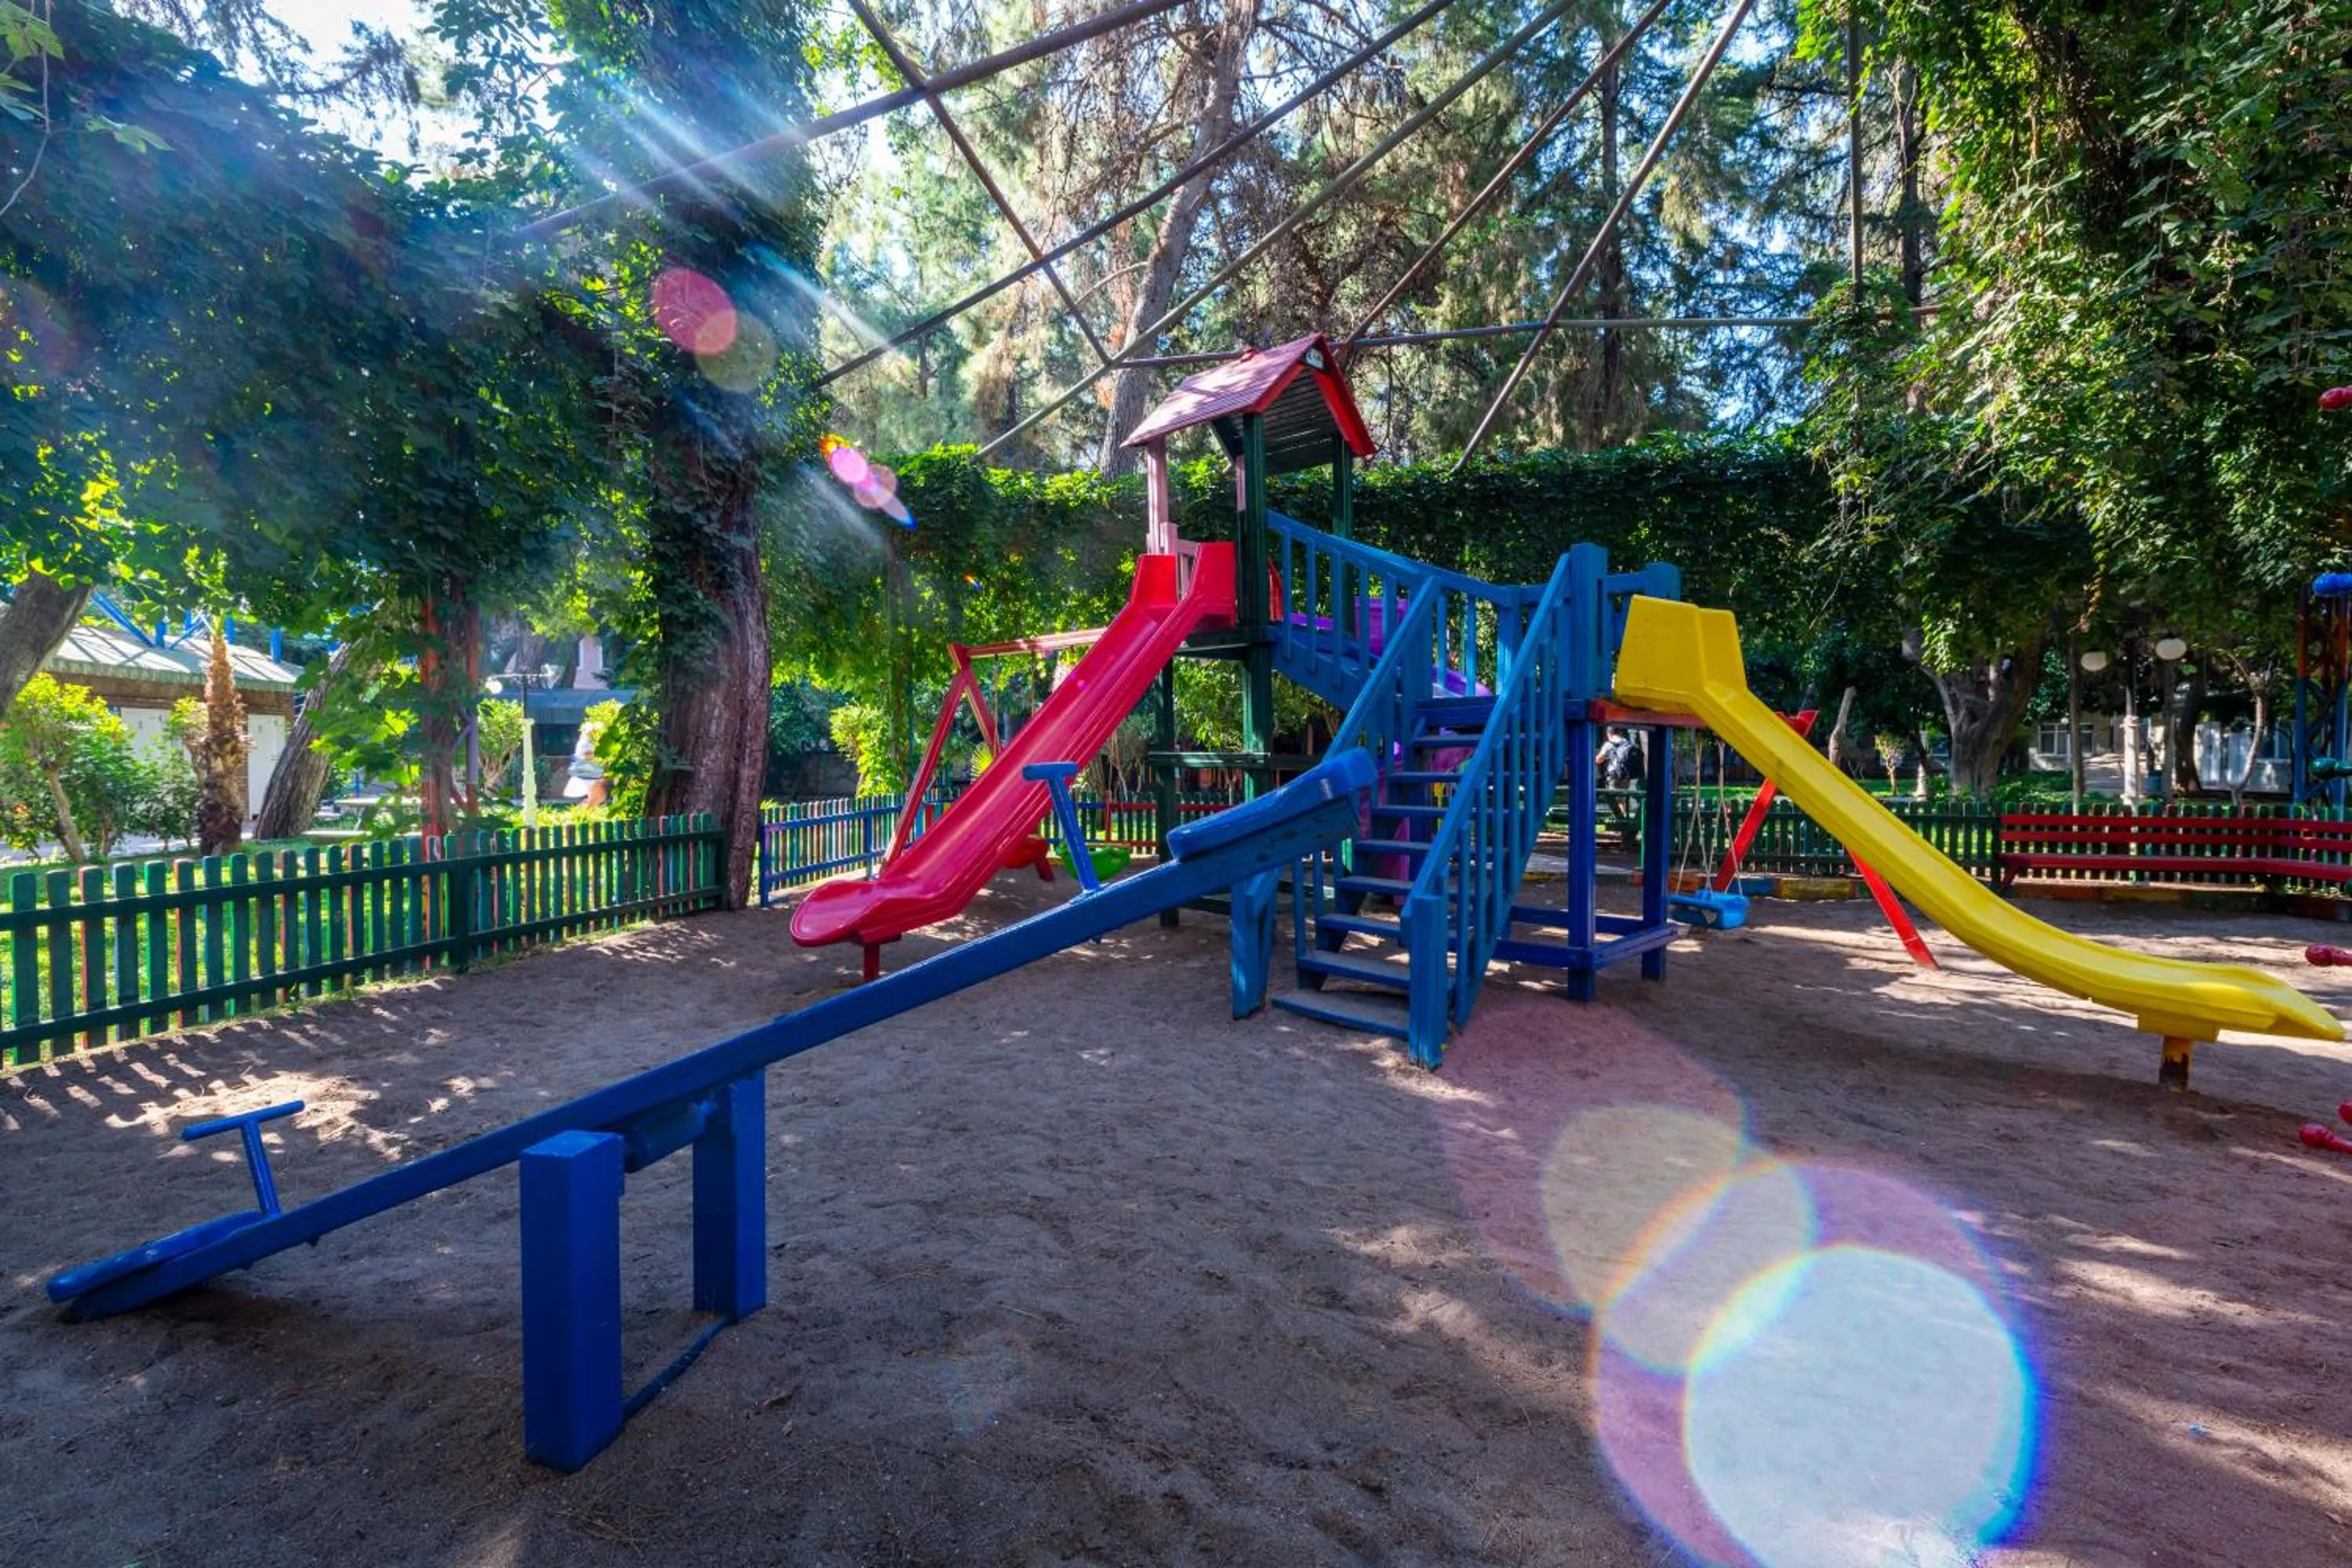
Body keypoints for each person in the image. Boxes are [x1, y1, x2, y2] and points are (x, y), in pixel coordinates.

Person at [1596, 726, 1644, 821]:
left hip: (1613, 776)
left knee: (1610, 797)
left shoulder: (1608, 744)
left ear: (1609, 733)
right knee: (1622, 800)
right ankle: (1624, 821)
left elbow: (1598, 760)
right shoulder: (1627, 743)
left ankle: (1621, 821)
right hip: (1626, 776)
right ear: (1620, 733)